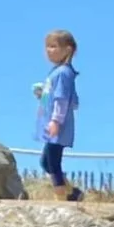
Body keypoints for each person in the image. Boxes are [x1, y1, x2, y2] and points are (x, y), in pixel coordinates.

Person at [35, 28, 81, 201]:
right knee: (46, 162)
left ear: (67, 49)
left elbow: (63, 100)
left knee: (53, 162)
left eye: (54, 46)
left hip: (57, 126)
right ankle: (72, 193)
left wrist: (56, 121)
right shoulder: (58, 72)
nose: (49, 51)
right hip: (52, 125)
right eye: (47, 46)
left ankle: (61, 197)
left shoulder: (63, 73)